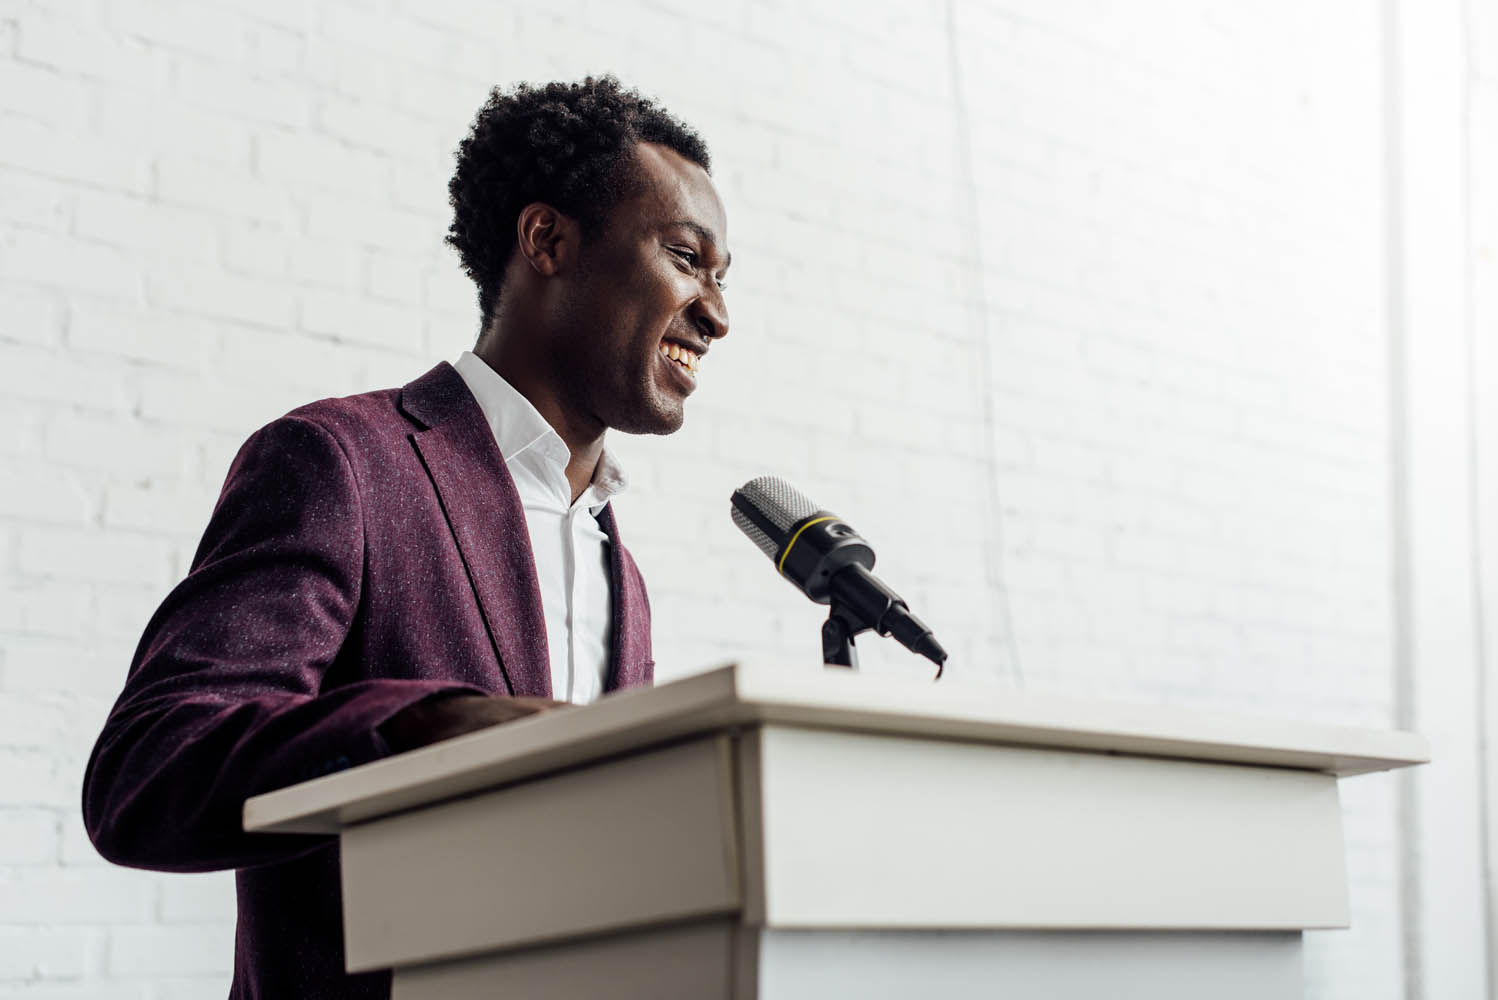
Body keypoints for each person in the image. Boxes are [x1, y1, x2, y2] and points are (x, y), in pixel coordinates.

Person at [81, 76, 731, 998]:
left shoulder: (616, 563)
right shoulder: (340, 462)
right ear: (547, 240)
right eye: (685, 257)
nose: (716, 311)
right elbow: (149, 771)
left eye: (721, 276)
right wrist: (432, 724)